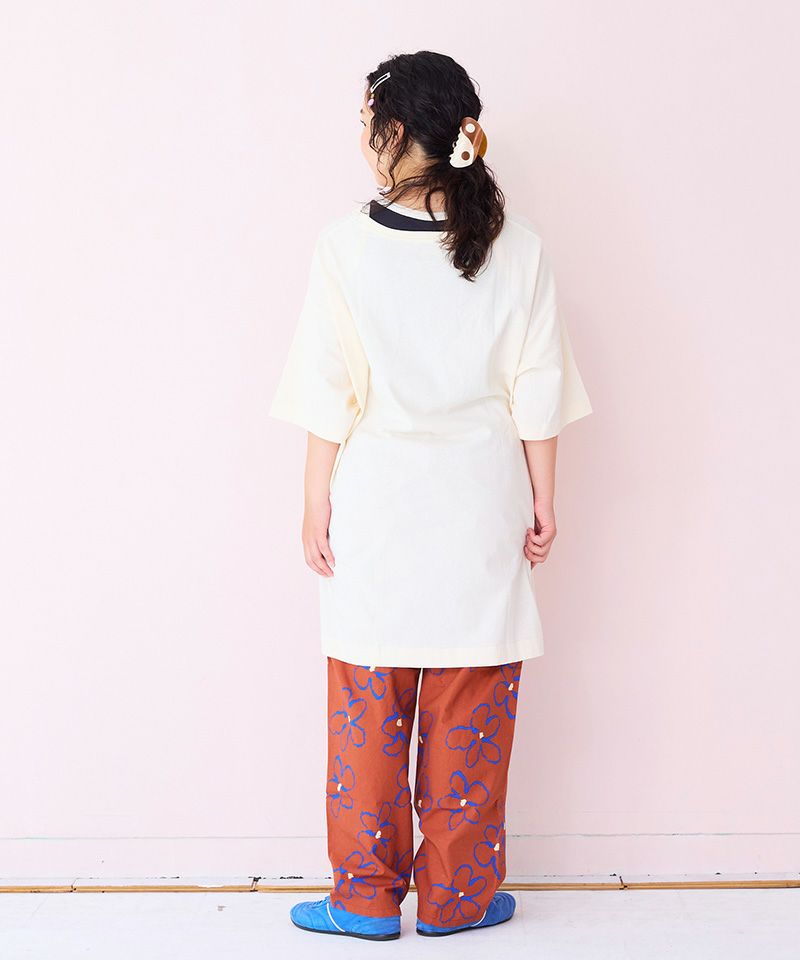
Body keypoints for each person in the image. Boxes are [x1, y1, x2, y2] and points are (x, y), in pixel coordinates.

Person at [269, 51, 592, 941]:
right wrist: (544, 498)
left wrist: (313, 499)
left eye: (367, 122)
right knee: (469, 702)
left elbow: (328, 390)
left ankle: (364, 899)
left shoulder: (343, 247)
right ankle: (458, 898)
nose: (362, 138)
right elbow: (537, 387)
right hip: (481, 503)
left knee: (368, 708)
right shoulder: (518, 247)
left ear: (398, 132)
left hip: (376, 507)